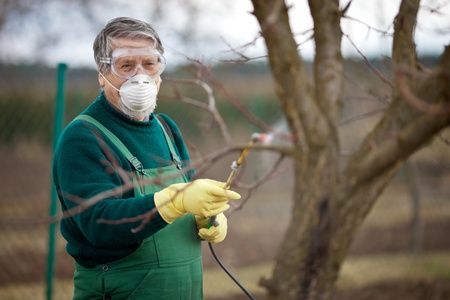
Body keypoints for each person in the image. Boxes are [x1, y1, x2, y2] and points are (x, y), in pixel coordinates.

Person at [52, 16, 240, 300]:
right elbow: (98, 223)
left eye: (150, 64)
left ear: (160, 70)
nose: (140, 76)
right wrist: (174, 201)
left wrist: (205, 218)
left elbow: (184, 202)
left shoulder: (166, 129)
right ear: (102, 75)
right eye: (126, 65)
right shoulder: (84, 137)